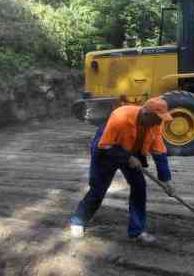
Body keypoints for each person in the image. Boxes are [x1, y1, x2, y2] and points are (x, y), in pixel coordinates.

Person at [70, 97, 174, 244]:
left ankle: (137, 231)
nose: (160, 122)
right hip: (107, 149)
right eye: (157, 118)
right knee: (98, 189)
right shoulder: (120, 116)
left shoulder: (154, 124)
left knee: (139, 187)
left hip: (132, 151)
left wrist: (166, 180)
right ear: (146, 114)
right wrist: (128, 158)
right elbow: (105, 145)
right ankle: (78, 221)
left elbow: (159, 152)